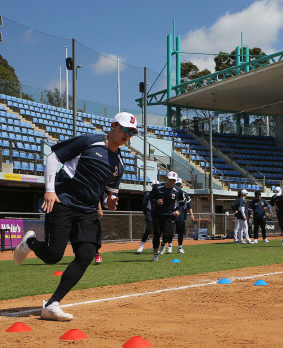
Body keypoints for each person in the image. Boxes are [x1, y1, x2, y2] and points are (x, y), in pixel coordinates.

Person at [13, 111, 138, 321]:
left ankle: (52, 304)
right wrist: (50, 190)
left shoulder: (119, 164)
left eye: (132, 132)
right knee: (54, 256)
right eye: (125, 129)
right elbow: (53, 157)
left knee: (87, 254)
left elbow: (111, 195)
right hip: (63, 202)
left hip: (88, 211)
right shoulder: (90, 141)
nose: (128, 135)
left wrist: (111, 202)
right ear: (113, 125)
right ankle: (31, 242)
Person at [150, 171, 186, 261]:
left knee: (169, 234)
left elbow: (183, 202)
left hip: (170, 215)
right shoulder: (158, 188)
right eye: (170, 180)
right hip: (157, 214)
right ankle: (155, 254)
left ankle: (163, 244)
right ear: (166, 179)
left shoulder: (178, 190)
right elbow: (150, 197)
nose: (171, 182)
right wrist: (156, 202)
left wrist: (178, 210)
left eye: (173, 181)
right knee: (157, 235)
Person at [168, 178, 194, 253]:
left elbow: (189, 205)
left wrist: (192, 214)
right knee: (170, 230)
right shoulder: (170, 192)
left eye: (179, 184)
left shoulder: (185, 194)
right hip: (171, 213)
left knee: (180, 232)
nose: (178, 186)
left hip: (181, 214)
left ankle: (180, 247)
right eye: (177, 184)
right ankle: (170, 245)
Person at [137, 180, 160, 254]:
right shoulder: (148, 194)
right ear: (152, 186)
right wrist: (145, 214)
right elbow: (144, 205)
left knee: (157, 232)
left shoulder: (161, 194)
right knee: (149, 230)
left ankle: (154, 247)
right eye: (154, 185)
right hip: (150, 213)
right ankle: (141, 246)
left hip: (158, 214)